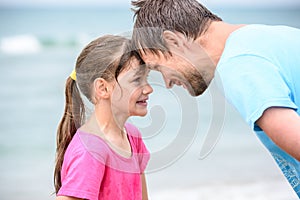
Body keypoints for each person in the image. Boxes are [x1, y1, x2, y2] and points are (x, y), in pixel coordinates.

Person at [130, 0, 300, 197]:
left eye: (158, 68)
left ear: (174, 41)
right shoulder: (269, 36)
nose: (167, 82)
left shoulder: (238, 65)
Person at [54, 35, 153, 200]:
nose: (149, 88)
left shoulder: (132, 136)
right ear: (103, 88)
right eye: (137, 80)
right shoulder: (91, 150)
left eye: (146, 79)